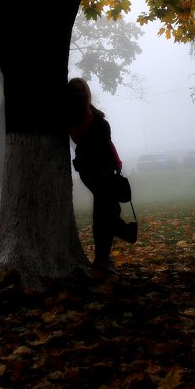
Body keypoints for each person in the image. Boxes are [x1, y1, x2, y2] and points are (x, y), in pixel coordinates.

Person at [67, 77, 137, 274]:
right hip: (91, 169)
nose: (80, 93)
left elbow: (108, 142)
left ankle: (103, 258)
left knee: (105, 211)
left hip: (107, 168)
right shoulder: (73, 115)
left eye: (82, 89)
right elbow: (79, 137)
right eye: (75, 91)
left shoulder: (93, 111)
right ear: (70, 96)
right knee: (107, 211)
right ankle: (118, 238)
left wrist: (117, 162)